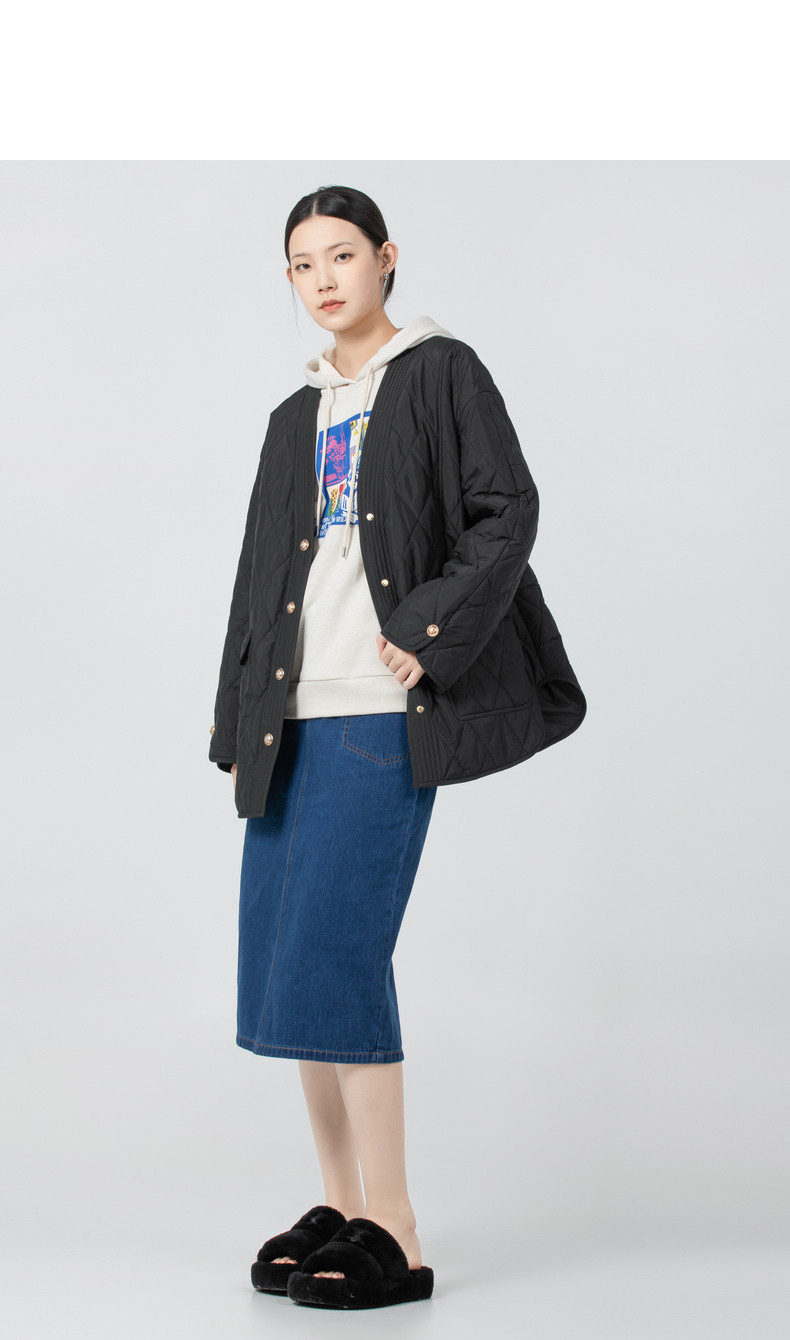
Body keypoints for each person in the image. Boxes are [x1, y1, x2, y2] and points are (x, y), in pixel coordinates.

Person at [208, 184, 586, 1309]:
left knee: (338, 950)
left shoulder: (440, 372)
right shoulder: (295, 416)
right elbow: (257, 577)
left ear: (385, 258)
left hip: (379, 711)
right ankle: (340, 1202)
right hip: (292, 712)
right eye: (302, 263)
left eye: (342, 254)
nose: (323, 279)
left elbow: (505, 510)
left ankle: (399, 1226)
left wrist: (425, 631)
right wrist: (236, 719)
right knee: (288, 963)